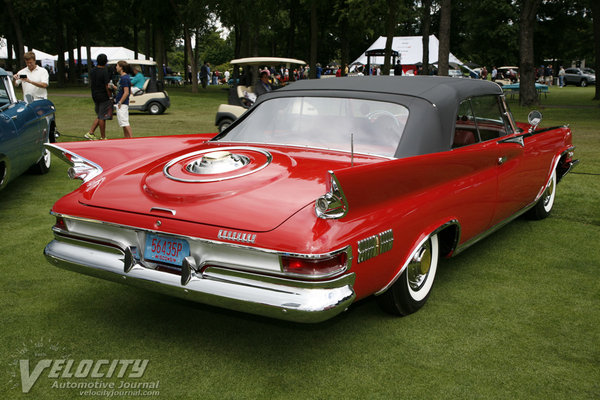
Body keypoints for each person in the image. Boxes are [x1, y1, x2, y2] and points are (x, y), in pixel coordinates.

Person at [84, 54, 113, 140]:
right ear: (105, 61)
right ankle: (103, 136)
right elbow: (106, 85)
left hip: (95, 94)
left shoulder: (92, 70)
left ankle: (91, 132)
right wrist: (110, 96)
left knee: (100, 114)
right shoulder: (104, 71)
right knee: (102, 116)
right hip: (103, 95)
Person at [114, 61, 132, 139]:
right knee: (122, 123)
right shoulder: (123, 77)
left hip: (123, 103)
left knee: (124, 121)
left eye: (117, 66)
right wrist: (113, 87)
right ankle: (126, 138)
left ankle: (131, 138)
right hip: (120, 102)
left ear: (121, 67)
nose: (116, 67)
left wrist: (120, 102)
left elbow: (126, 92)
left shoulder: (124, 78)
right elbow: (121, 89)